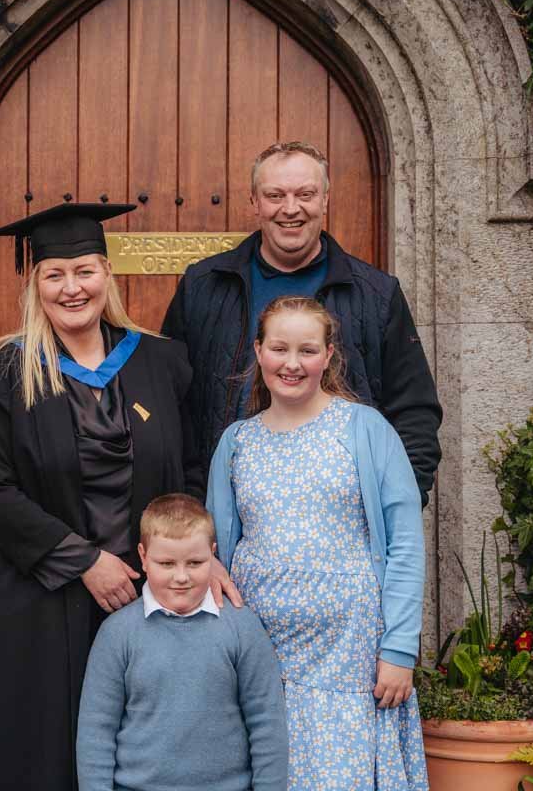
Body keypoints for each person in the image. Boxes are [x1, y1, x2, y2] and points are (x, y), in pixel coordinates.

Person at [0, 203, 229, 791]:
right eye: (55, 275)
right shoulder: (2, 372)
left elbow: (190, 469)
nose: (72, 288)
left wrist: (181, 555)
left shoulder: (161, 362)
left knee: (140, 753)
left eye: (85, 270)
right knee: (40, 759)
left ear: (108, 274)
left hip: (140, 598)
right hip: (34, 603)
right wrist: (84, 560)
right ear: (35, 286)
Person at [207, 296, 428, 791]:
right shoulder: (237, 442)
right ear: (258, 352)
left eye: (307, 350)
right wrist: (213, 568)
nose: (292, 363)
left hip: (349, 659)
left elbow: (406, 545)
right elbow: (216, 545)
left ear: (329, 356)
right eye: (279, 348)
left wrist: (398, 650)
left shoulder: (365, 430)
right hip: (264, 658)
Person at [161, 141, 442, 506]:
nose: (290, 209)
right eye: (275, 195)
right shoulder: (203, 286)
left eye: (305, 194)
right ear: (255, 202)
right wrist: (193, 508)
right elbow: (171, 403)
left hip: (342, 519)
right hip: (225, 512)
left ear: (325, 200)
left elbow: (414, 412)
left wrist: (395, 506)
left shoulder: (376, 294)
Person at [76, 494, 288, 791]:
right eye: (166, 563)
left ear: (212, 556)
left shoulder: (242, 628)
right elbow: (96, 731)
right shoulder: (117, 634)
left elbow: (267, 724)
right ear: (143, 558)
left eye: (195, 562)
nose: (181, 576)